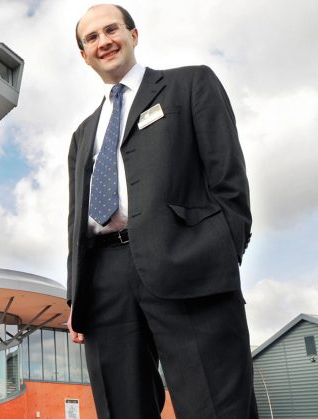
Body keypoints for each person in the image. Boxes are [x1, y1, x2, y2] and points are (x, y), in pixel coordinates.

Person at [66, 4, 257, 418]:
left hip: (189, 263)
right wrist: (76, 296)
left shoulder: (190, 85)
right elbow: (75, 222)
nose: (105, 41)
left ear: (134, 34)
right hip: (104, 284)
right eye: (92, 38)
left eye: (111, 29)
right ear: (84, 55)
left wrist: (222, 253)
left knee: (216, 406)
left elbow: (229, 180)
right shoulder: (83, 134)